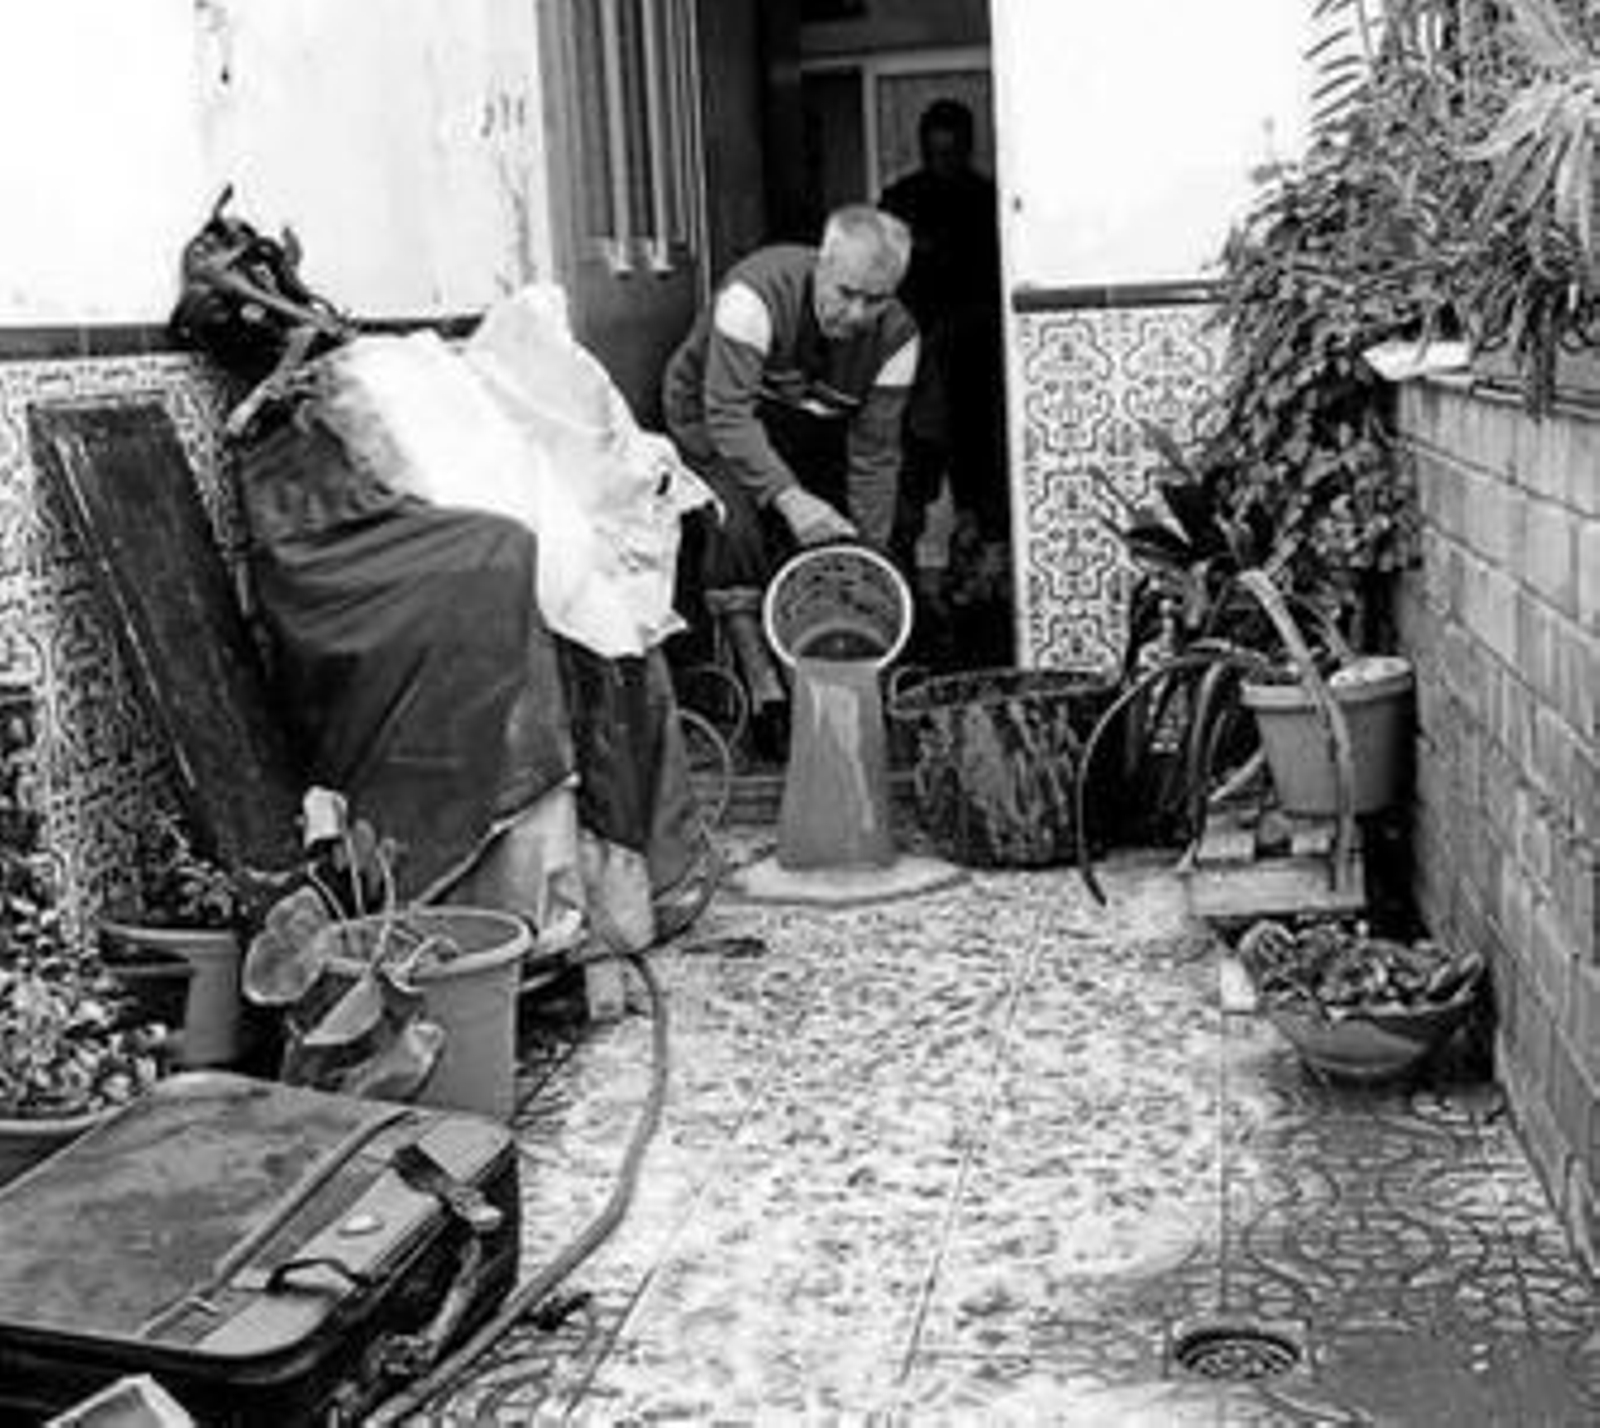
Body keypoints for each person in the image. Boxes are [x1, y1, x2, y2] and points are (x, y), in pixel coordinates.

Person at [662, 204, 919, 743]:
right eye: (845, 292)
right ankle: (764, 692)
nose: (854, 313)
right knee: (739, 523)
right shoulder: (752, 296)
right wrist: (790, 497)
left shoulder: (897, 340)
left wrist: (867, 555)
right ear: (820, 265)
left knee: (837, 529)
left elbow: (874, 455)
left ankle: (822, 678)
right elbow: (728, 415)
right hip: (712, 415)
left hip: (797, 420)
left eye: (874, 300)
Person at [879, 98, 1010, 661]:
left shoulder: (989, 203)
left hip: (978, 367)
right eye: (936, 154)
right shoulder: (901, 202)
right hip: (911, 366)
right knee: (908, 484)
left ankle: (984, 604)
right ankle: (904, 595)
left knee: (983, 486)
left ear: (969, 147)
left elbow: (996, 287)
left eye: (953, 153)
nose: (945, 163)